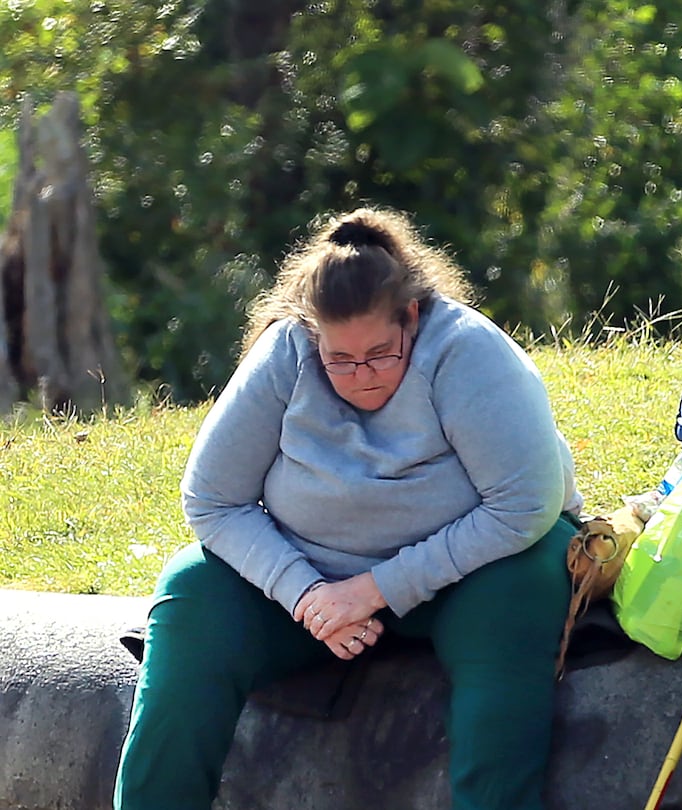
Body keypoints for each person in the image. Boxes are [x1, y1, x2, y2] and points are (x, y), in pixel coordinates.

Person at [113, 208, 583, 810]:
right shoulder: (284, 353)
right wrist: (308, 596)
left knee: (524, 589)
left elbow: (525, 505)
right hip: (311, 588)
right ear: (312, 336)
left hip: (469, 576)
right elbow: (213, 499)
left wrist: (375, 590)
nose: (362, 376)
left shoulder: (468, 350)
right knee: (191, 591)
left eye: (382, 354)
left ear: (411, 315)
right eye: (341, 360)